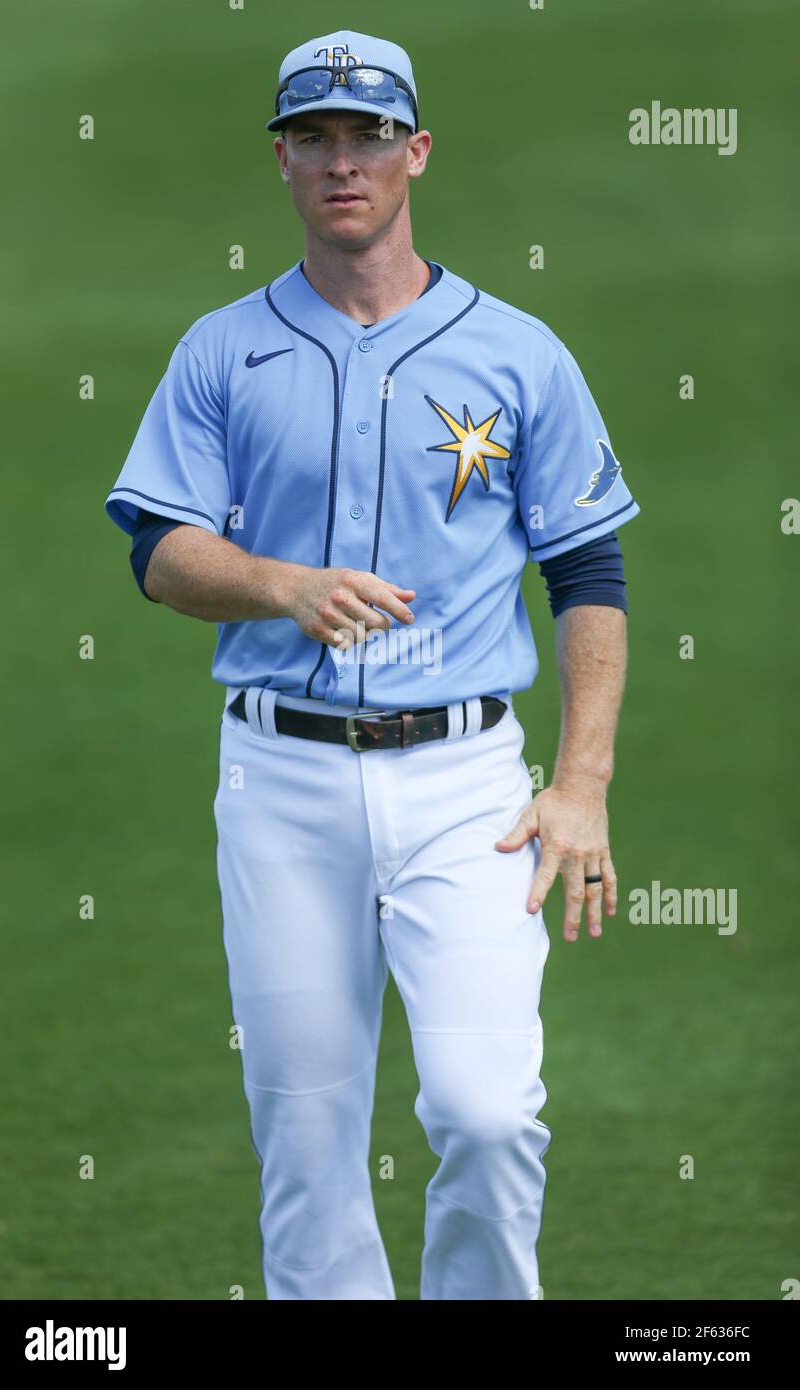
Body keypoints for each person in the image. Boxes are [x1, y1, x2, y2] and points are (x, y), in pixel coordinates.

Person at [104, 29, 640, 1300]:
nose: (343, 161)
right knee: (305, 1131)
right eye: (315, 138)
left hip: (469, 789)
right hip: (280, 779)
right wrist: (277, 584)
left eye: (368, 136)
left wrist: (583, 782)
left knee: (488, 1113)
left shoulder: (519, 352)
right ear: (283, 160)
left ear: (417, 152)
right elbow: (159, 554)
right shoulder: (222, 352)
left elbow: (590, 575)